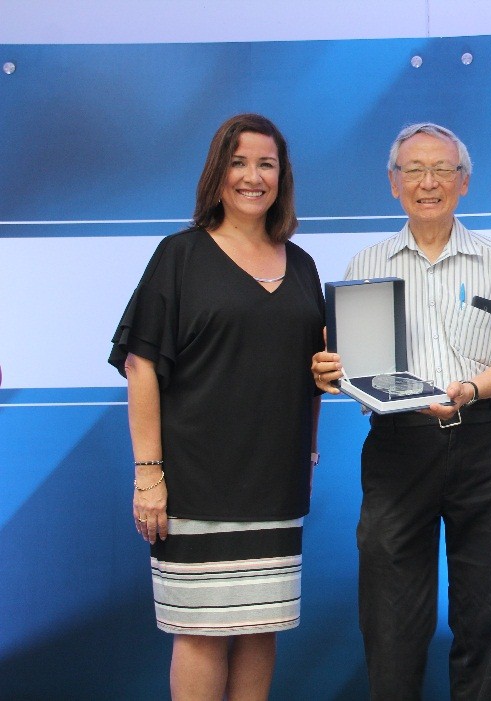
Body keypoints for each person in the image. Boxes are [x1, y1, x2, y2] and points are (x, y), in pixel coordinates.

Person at [310, 123, 491, 700]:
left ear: (464, 182)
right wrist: (330, 374)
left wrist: (467, 388)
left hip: (483, 442)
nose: (428, 182)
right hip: (398, 447)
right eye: (414, 170)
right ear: (393, 184)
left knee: (484, 614)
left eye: (442, 170)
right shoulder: (368, 261)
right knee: (390, 618)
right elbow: (354, 369)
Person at [108, 114, 324, 701]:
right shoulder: (179, 256)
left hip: (275, 482)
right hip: (196, 482)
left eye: (266, 164)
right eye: (239, 162)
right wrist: (148, 475)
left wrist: (308, 447)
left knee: (261, 628)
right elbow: (141, 365)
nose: (252, 177)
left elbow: (312, 373)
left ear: (282, 176)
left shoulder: (301, 264)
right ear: (217, 173)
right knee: (201, 632)